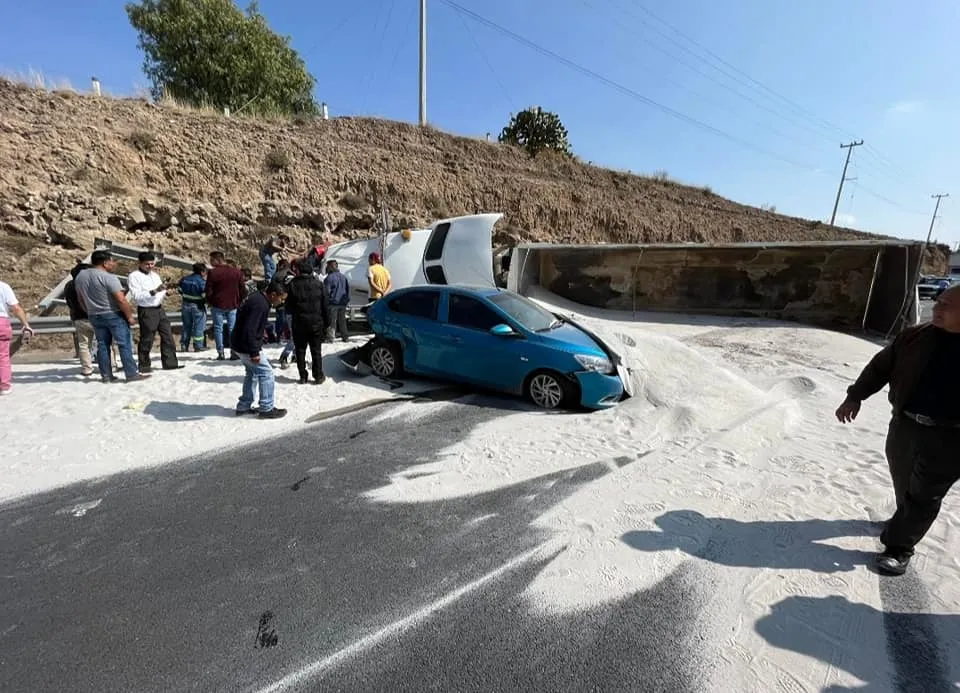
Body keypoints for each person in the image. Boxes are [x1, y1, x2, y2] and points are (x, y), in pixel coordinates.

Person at [836, 284, 960, 576]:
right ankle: (902, 522)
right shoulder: (914, 336)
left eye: (947, 305)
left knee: (924, 495)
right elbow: (880, 367)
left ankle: (898, 548)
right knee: (904, 484)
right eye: (937, 302)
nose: (937, 309)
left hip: (951, 438)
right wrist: (855, 395)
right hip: (905, 426)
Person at [74, 250, 147, 383]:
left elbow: (80, 298)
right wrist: (129, 316)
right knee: (124, 344)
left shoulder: (81, 276)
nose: (114, 264)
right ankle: (131, 374)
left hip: (94, 314)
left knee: (102, 345)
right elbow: (121, 300)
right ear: (105, 262)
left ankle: (106, 375)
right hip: (113, 314)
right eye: (112, 261)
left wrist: (89, 310)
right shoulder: (109, 277)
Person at [231, 282, 288, 419]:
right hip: (246, 346)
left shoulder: (257, 298)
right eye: (281, 298)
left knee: (252, 373)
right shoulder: (260, 305)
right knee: (266, 373)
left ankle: (244, 406)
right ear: (273, 294)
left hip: (239, 343)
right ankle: (266, 408)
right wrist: (254, 352)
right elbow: (250, 329)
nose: (282, 302)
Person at [127, 252, 181, 373]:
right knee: (147, 338)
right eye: (147, 264)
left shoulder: (155, 275)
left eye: (152, 264)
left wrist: (166, 293)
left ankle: (170, 363)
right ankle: (144, 365)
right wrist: (154, 291)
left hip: (159, 308)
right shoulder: (134, 276)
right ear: (140, 263)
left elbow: (160, 290)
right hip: (147, 310)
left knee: (168, 336)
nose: (150, 266)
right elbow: (137, 295)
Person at [285, 259, 329, 384]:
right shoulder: (319, 284)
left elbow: (288, 307)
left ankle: (303, 376)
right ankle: (318, 375)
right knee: (316, 351)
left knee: (300, 350)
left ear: (299, 271)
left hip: (299, 323)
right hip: (316, 323)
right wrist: (327, 323)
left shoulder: (293, 284)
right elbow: (325, 305)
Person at [205, 251, 246, 361]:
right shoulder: (236, 272)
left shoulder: (213, 273)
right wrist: (239, 300)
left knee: (218, 328)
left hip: (217, 304)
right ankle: (234, 352)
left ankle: (221, 352)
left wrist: (209, 301)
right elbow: (242, 289)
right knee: (232, 328)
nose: (210, 262)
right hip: (233, 304)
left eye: (211, 260)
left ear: (217, 260)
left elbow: (208, 290)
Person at [0, 278, 34, 394]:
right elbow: (16, 308)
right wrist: (26, 324)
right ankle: (4, 386)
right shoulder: (3, 287)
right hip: (1, 322)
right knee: (3, 356)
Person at [178, 263, 208, 352]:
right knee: (199, 326)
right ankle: (198, 346)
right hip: (198, 306)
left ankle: (184, 345)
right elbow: (204, 295)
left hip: (185, 305)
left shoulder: (185, 279)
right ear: (202, 271)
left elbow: (179, 290)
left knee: (186, 326)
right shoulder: (202, 282)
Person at [324, 259, 350, 343]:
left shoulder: (329, 278)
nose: (326, 268)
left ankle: (330, 338)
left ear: (331, 267)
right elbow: (347, 290)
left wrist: (326, 302)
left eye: (327, 266)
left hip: (333, 303)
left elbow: (326, 292)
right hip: (343, 303)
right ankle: (345, 337)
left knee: (332, 322)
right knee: (342, 321)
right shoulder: (344, 277)